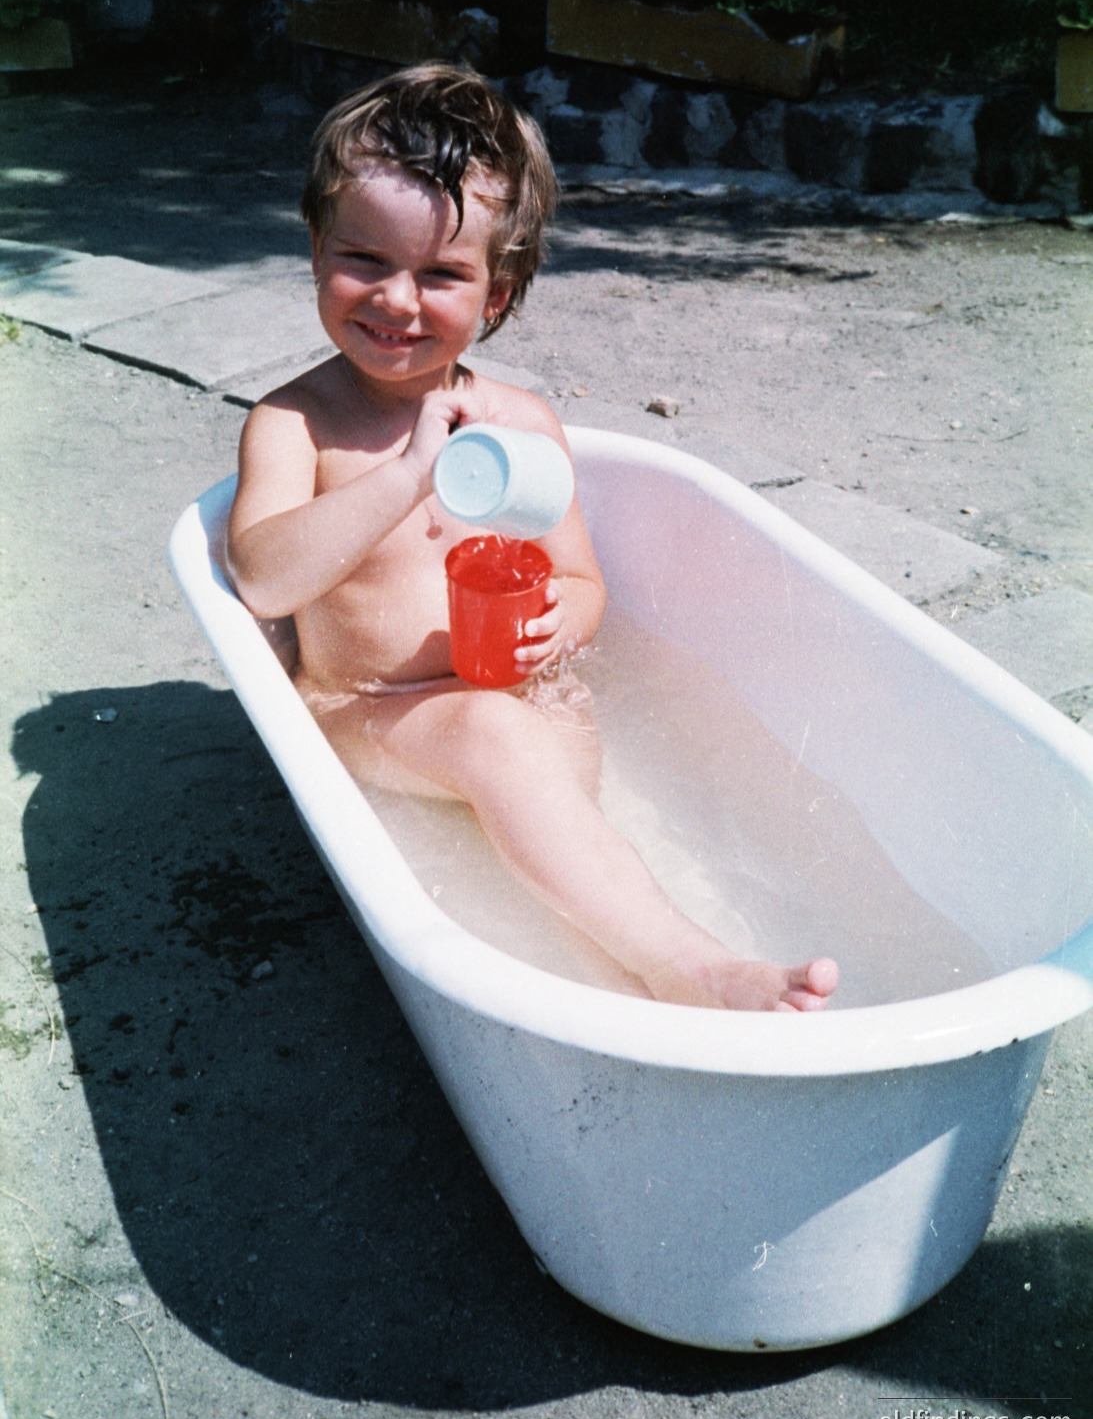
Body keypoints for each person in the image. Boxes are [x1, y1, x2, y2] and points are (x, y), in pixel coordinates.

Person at [226, 62, 838, 1012]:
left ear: (497, 295)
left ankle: (607, 977)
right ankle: (688, 962)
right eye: (365, 260)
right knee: (492, 734)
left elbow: (582, 581)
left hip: (508, 700)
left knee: (538, 746)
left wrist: (563, 623)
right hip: (364, 705)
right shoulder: (294, 423)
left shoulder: (521, 425)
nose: (397, 300)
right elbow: (262, 580)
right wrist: (403, 474)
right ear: (315, 250)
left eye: (440, 274)